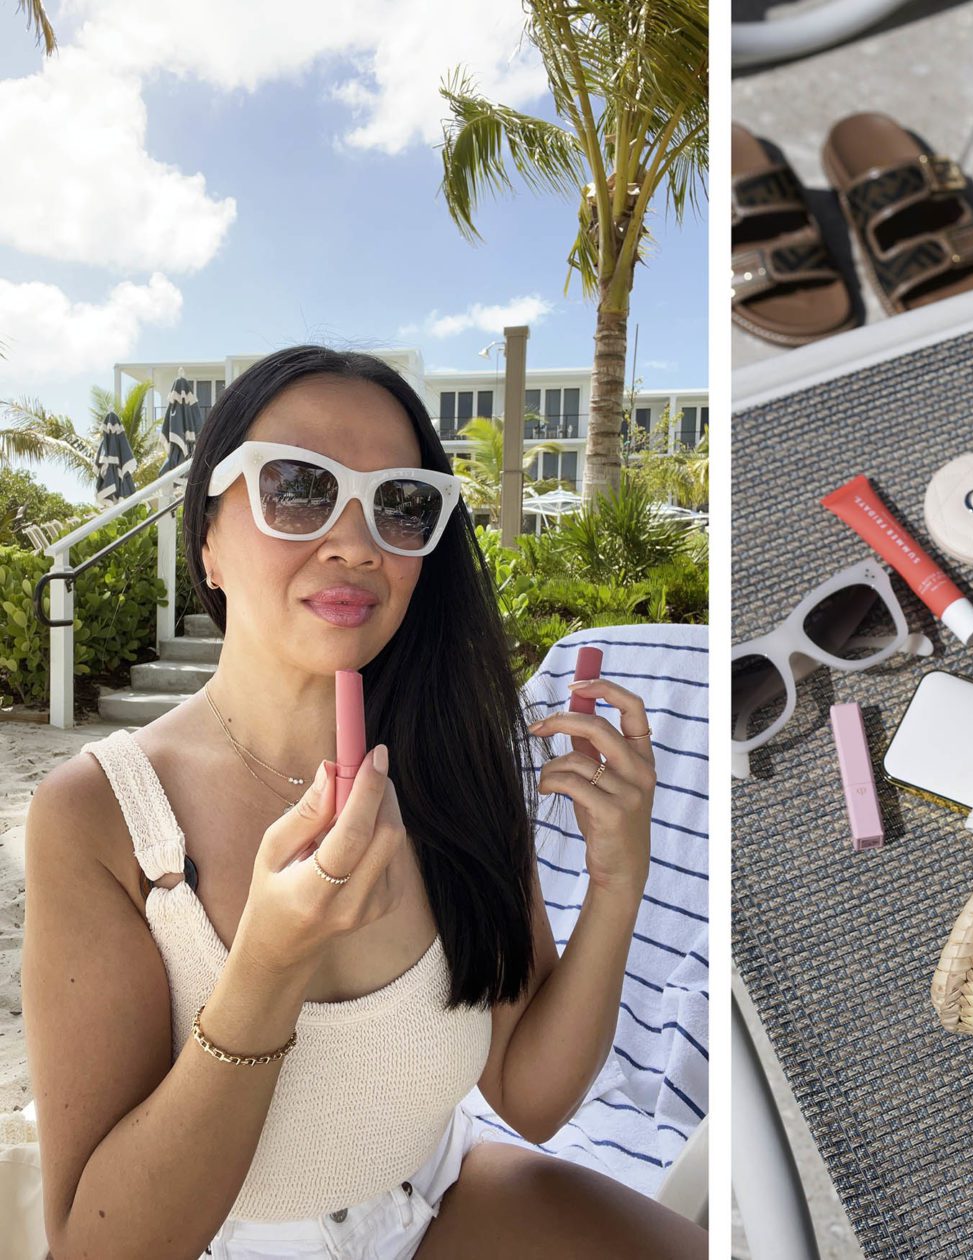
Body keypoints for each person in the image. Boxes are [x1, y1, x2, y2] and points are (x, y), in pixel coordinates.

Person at [20, 345, 707, 1259]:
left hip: (430, 1193)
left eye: (401, 504)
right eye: (297, 487)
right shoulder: (102, 817)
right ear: (209, 543)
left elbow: (528, 1099)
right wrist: (267, 966)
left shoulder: (458, 766)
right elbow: (99, 1247)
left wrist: (620, 880)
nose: (356, 540)